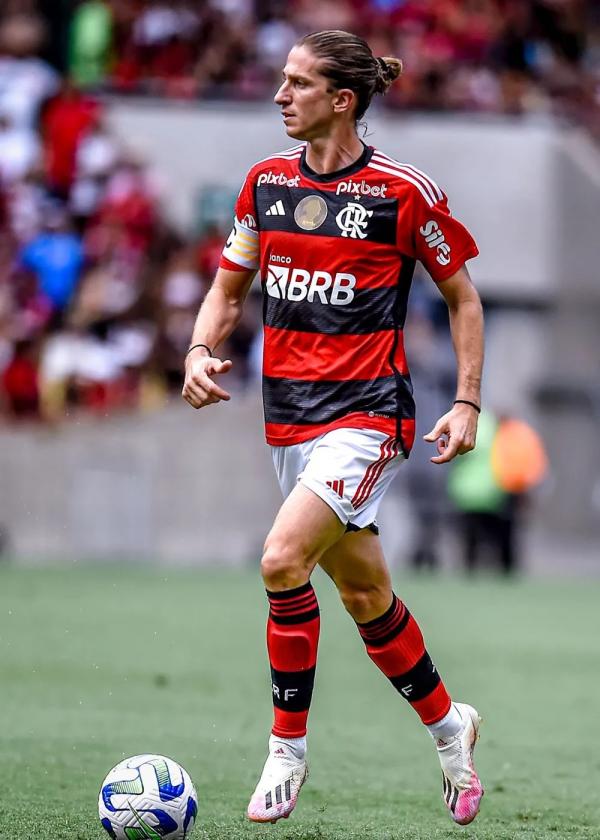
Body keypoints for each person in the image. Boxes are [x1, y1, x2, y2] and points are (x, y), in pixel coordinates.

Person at [183, 30, 485, 827]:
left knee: (282, 561)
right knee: (362, 592)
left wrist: (466, 401)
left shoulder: (402, 192)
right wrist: (198, 349)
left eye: (297, 83)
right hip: (287, 419)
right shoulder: (263, 185)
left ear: (341, 100)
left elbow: (463, 298)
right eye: (281, 82)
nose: (280, 95)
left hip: (369, 416)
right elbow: (227, 289)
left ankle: (287, 749)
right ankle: (452, 730)